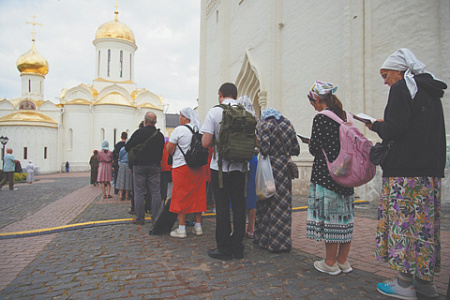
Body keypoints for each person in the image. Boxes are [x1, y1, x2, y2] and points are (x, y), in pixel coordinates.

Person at [367, 48, 446, 299]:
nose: (385, 80)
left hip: (405, 173)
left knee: (404, 224)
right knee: (424, 228)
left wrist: (376, 125)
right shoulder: (430, 93)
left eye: (385, 74)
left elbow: (395, 129)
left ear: (399, 71)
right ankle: (425, 283)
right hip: (428, 173)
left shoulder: (402, 88)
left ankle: (403, 284)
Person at [306, 81, 355, 275]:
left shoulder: (321, 118)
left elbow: (315, 148)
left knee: (331, 219)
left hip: (327, 175)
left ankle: (330, 262)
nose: (314, 107)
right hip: (348, 173)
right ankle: (343, 260)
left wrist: (311, 143)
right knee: (345, 217)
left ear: (318, 99)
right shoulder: (345, 116)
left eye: (313, 103)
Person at [201, 82, 247, 260]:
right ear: (236, 95)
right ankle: (238, 247)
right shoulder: (246, 111)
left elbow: (205, 142)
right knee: (239, 207)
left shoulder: (215, 111)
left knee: (222, 207)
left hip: (220, 168)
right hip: (241, 167)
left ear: (220, 94)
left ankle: (224, 249)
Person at [253, 107, 300, 252]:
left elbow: (265, 149)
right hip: (284, 169)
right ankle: (281, 243)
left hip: (270, 169)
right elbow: (296, 149)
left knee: (266, 201)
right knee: (282, 206)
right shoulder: (288, 124)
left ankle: (264, 239)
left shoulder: (266, 126)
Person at [166, 107, 207, 238]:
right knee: (198, 195)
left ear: (186, 118)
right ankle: (198, 226)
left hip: (181, 167)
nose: (179, 118)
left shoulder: (179, 130)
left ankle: (182, 228)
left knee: (180, 196)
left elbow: (169, 148)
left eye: (181, 116)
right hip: (198, 168)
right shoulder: (199, 130)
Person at [125, 111, 165, 226]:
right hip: (154, 166)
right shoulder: (159, 136)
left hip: (139, 166)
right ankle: (156, 218)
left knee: (139, 192)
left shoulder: (139, 133)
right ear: (155, 122)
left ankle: (140, 218)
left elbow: (127, 147)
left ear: (145, 121)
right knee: (155, 192)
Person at [237, 95, 259, 239]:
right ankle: (251, 228)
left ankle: (236, 229)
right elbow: (258, 142)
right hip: (252, 159)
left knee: (237, 193)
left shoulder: (236, 120)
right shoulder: (255, 121)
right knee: (251, 195)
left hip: (238, 159)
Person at [160, 137, 172, 202]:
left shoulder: (161, 148)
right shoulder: (170, 147)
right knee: (170, 185)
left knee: (163, 185)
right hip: (170, 168)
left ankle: (163, 198)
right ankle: (169, 198)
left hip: (162, 169)